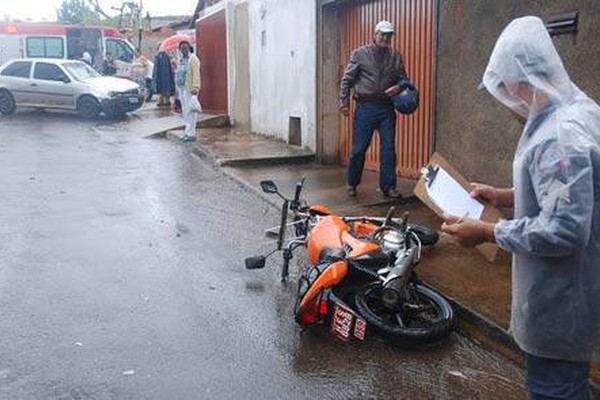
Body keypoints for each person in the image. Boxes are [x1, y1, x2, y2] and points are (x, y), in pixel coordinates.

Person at [440, 16, 600, 399]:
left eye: (506, 88)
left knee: (556, 389)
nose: (507, 100)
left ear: (522, 80)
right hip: (573, 288)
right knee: (567, 383)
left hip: (562, 297)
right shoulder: (578, 112)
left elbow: (564, 227)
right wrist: (502, 195)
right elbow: (567, 190)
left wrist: (488, 231)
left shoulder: (557, 136)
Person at [339, 20, 409, 198]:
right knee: (359, 148)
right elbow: (347, 80)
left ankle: (389, 187)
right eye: (382, 34)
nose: (385, 38)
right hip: (365, 107)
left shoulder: (395, 56)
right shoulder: (360, 54)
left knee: (388, 149)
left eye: (389, 35)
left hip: (386, 108)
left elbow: (404, 80)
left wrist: (399, 88)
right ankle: (352, 183)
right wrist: (344, 103)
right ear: (375, 34)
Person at [175, 41, 201, 142]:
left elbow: (196, 74)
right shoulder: (180, 60)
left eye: (185, 47)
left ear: (189, 48)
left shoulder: (193, 59)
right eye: (182, 48)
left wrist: (195, 87)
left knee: (191, 112)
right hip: (181, 89)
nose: (184, 49)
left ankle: (192, 133)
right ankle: (187, 131)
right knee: (185, 112)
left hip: (190, 89)